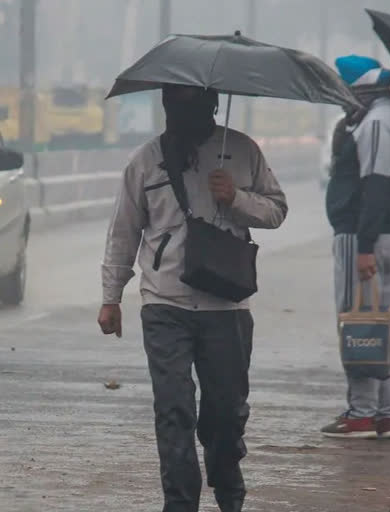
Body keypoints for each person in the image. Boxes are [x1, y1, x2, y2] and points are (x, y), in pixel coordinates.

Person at [98, 84, 287, 512]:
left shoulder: (242, 151)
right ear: (164, 105)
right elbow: (123, 232)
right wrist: (111, 297)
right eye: (174, 102)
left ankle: (228, 492)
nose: (183, 111)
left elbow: (276, 210)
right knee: (173, 409)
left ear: (213, 104)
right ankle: (180, 503)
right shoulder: (145, 161)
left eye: (193, 102)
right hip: (166, 304)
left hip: (228, 307)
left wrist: (236, 198)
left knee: (224, 414)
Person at [323, 56, 390, 439]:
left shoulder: (378, 123)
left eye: (342, 89)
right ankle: (385, 412)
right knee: (384, 322)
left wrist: (363, 245)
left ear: (358, 88)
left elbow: (375, 186)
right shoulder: (389, 118)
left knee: (359, 320)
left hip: (366, 238)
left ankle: (362, 412)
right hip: (388, 236)